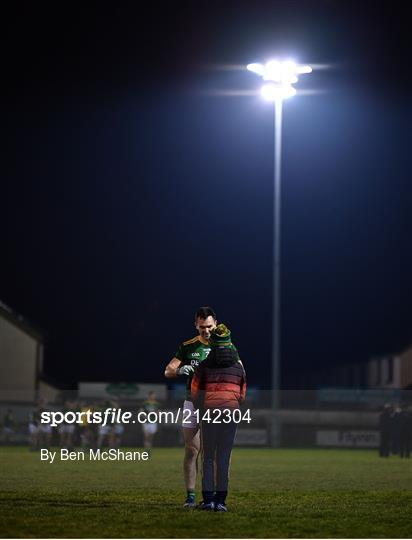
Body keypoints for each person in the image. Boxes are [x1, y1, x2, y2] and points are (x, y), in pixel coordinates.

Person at [164, 306, 217, 508]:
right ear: (196, 324)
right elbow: (168, 370)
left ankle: (210, 497)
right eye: (202, 327)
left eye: (209, 326)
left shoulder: (224, 345)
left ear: (215, 323)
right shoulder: (188, 346)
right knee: (192, 450)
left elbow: (240, 369)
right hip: (191, 403)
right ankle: (190, 496)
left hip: (214, 404)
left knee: (209, 452)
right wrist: (179, 371)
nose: (206, 331)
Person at [191, 323, 246, 511]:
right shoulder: (238, 368)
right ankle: (221, 501)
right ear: (229, 344)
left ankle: (208, 500)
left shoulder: (205, 366)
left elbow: (195, 392)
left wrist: (201, 408)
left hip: (210, 413)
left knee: (208, 458)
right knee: (223, 457)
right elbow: (242, 395)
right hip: (231, 413)